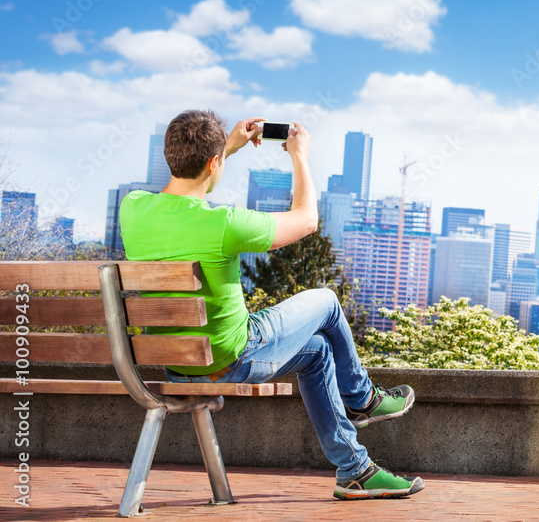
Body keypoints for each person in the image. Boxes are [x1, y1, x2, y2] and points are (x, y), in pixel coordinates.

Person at [119, 109, 424, 500]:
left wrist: (225, 147)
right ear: (215, 163)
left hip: (178, 363)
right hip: (230, 357)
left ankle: (356, 471)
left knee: (317, 352)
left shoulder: (134, 207)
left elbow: (186, 183)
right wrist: (299, 155)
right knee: (327, 301)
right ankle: (363, 399)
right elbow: (307, 219)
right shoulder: (223, 223)